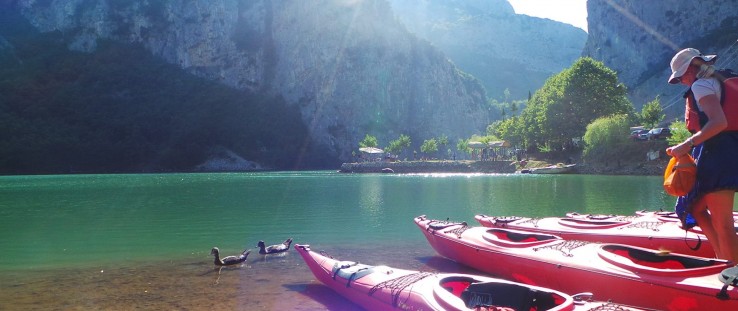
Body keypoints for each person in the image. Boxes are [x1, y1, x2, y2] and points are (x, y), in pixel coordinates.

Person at [666, 48, 738, 262]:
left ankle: (733, 273)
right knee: (694, 207)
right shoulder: (726, 78)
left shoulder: (701, 84)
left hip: (720, 152)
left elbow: (719, 122)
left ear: (691, 68)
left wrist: (687, 144)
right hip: (730, 149)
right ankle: (722, 261)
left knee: (722, 222)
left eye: (681, 76)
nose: (681, 82)